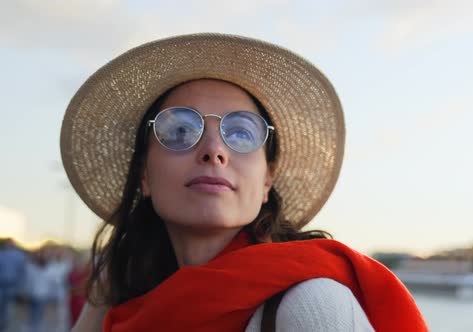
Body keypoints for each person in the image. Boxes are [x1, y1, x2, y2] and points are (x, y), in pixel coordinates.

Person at [62, 33, 428, 331]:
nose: (214, 150)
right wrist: (106, 290)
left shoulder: (309, 305)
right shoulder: (127, 311)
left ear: (267, 179)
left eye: (240, 132)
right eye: (179, 130)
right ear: (144, 174)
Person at [0, 238, 26, 332]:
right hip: (1, 285)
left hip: (13, 285)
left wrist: (21, 287)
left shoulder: (19, 256)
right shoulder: (1, 254)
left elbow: (22, 272)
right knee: (3, 307)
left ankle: (6, 327)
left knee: (9, 308)